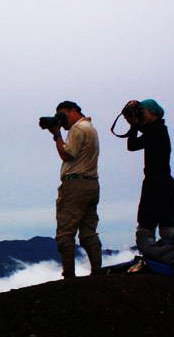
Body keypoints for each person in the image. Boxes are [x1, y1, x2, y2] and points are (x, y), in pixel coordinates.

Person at [44, 100, 102, 279]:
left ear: (74, 111)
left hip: (75, 185)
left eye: (63, 115)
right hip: (92, 184)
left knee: (65, 231)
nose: (62, 120)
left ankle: (69, 275)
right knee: (88, 231)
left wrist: (56, 135)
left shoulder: (78, 129)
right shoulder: (90, 128)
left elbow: (67, 153)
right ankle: (97, 272)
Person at [124, 99, 174, 251]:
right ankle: (169, 259)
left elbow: (132, 145)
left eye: (142, 111)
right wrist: (134, 123)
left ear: (153, 113)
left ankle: (154, 257)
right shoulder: (159, 129)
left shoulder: (157, 130)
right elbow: (135, 143)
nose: (140, 114)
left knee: (147, 225)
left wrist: (134, 124)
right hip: (164, 183)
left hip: (156, 183)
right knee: (167, 225)